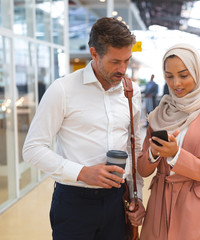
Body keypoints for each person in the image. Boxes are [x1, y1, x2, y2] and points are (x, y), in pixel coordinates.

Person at [22, 17, 145, 240]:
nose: (123, 69)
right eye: (115, 61)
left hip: (117, 201)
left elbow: (133, 148)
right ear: (94, 53)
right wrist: (82, 172)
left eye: (127, 60)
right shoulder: (63, 90)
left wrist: (137, 196)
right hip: (73, 202)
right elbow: (32, 149)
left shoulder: (131, 92)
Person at [137, 43, 200, 240]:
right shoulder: (158, 115)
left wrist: (176, 155)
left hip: (195, 207)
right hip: (160, 205)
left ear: (197, 72)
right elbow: (143, 170)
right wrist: (153, 153)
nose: (176, 83)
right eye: (169, 76)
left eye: (183, 75)